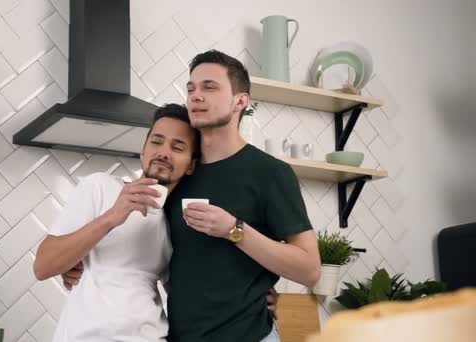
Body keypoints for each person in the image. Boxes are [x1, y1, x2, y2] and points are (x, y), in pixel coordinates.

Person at [163, 50, 321, 342]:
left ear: (240, 101)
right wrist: (84, 264)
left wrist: (234, 230)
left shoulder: (270, 173)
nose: (195, 96)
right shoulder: (179, 172)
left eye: (209, 87)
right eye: (191, 88)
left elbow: (310, 270)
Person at [33, 103, 199, 341]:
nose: (164, 152)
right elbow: (43, 266)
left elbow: (188, 296)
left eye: (178, 146)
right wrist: (112, 216)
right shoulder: (99, 186)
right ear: (143, 152)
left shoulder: (177, 221)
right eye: (156, 141)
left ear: (191, 164)